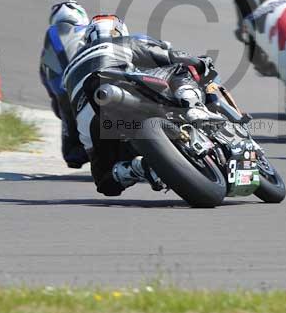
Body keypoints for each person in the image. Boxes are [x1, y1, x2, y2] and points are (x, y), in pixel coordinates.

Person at [62, 14, 217, 197]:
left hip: (95, 129)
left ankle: (137, 168)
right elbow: (169, 56)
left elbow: (69, 124)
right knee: (179, 68)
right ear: (118, 30)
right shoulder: (121, 42)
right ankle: (194, 108)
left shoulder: (68, 74)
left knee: (105, 183)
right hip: (123, 93)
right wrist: (199, 62)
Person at [39, 0, 91, 168]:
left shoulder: (52, 37)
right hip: (79, 89)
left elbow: (47, 80)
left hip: (71, 92)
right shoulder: (91, 30)